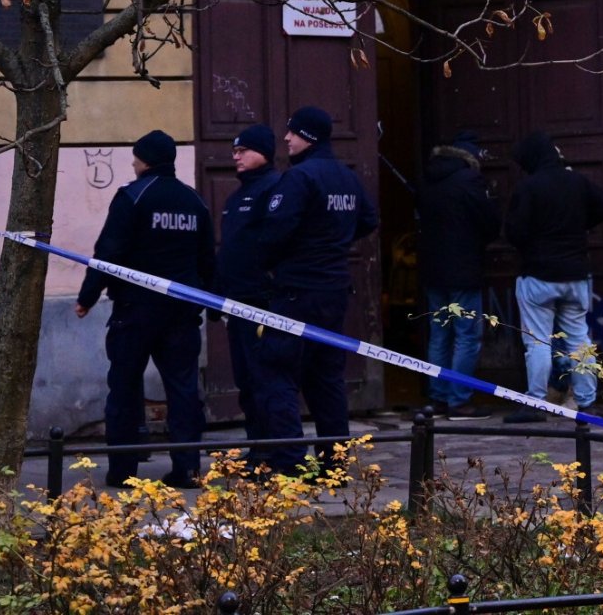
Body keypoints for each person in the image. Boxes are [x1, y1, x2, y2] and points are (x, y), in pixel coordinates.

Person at [75, 130, 215, 489]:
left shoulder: (132, 197)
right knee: (184, 390)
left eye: (136, 157)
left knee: (123, 388)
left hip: (135, 311)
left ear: (146, 160)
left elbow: (108, 253)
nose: (133, 163)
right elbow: (207, 259)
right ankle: (187, 468)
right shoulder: (194, 202)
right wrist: (214, 303)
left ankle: (122, 471)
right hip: (182, 313)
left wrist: (88, 296)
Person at [255, 105, 378, 471]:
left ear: (308, 136)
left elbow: (274, 234)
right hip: (334, 291)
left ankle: (289, 464)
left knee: (277, 373)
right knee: (327, 379)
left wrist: (273, 263)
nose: (287, 139)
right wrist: (332, 242)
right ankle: (334, 466)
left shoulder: (299, 178)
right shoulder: (347, 177)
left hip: (296, 292)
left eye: (292, 133)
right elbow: (368, 220)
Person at [501, 130, 603, 424]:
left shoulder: (529, 187)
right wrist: (579, 226)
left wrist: (533, 244)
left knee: (538, 341)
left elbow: (514, 232)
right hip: (575, 274)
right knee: (579, 340)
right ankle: (587, 405)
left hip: (538, 274)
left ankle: (536, 402)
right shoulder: (576, 181)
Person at [416, 131, 501, 419]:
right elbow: (490, 221)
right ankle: (459, 400)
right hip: (463, 270)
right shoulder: (469, 181)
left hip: (433, 270)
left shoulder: (428, 181)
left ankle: (438, 398)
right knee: (466, 336)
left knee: (439, 335)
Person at [214, 124, 281, 453]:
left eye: (243, 151)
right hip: (236, 302)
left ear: (263, 153)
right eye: (234, 151)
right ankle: (257, 446)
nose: (235, 156)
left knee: (263, 380)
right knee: (246, 381)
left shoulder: (275, 190)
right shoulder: (237, 194)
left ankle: (268, 452)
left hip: (261, 302)